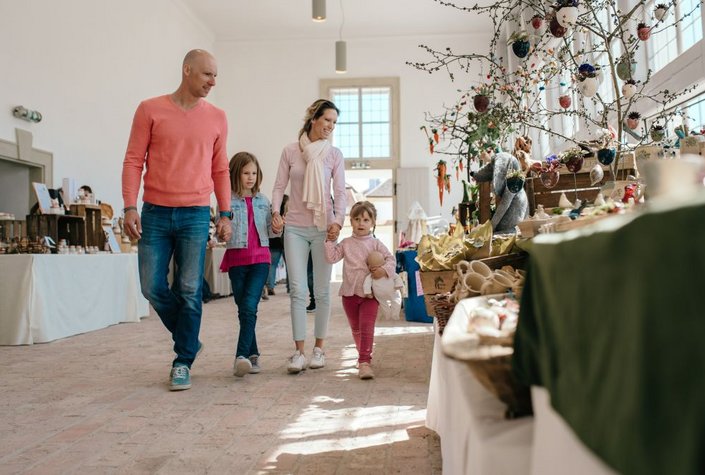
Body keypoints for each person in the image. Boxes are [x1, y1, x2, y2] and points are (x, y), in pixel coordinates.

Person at [121, 49, 232, 391]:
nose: (213, 82)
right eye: (207, 75)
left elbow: (220, 168)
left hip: (196, 214)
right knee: (151, 286)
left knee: (188, 289)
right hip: (154, 211)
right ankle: (189, 338)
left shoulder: (217, 117)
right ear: (187, 71)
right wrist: (129, 206)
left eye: (215, 76)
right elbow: (133, 160)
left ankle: (183, 359)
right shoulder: (150, 109)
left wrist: (225, 212)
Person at [271, 99, 346, 374]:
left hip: (324, 228)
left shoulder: (334, 155)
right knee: (298, 291)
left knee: (323, 291)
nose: (330, 126)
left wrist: (338, 221)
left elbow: (339, 193)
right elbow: (279, 186)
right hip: (294, 227)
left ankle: (319, 349)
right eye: (327, 120)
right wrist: (276, 212)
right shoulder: (291, 151)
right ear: (313, 119)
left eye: (334, 123)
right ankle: (299, 352)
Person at [220, 152, 280, 377]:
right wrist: (222, 229)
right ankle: (253, 354)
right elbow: (221, 231)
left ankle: (241, 356)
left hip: (260, 261)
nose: (251, 177)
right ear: (236, 174)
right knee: (243, 309)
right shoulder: (226, 201)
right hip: (236, 261)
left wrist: (277, 226)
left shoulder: (263, 201)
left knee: (249, 307)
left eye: (254, 173)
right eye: (246, 173)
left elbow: (273, 233)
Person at [324, 201, 396, 380]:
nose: (361, 223)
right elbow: (332, 257)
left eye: (365, 219)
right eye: (357, 219)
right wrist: (329, 241)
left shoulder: (376, 244)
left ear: (373, 222)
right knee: (356, 329)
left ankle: (364, 362)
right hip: (349, 294)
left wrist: (383, 270)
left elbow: (391, 260)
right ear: (351, 221)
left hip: (370, 294)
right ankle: (361, 353)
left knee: (366, 327)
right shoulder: (346, 243)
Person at [363, 250, 404, 320]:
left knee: (383, 304)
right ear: (384, 263)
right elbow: (396, 277)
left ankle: (387, 315)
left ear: (369, 265)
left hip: (379, 293)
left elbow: (366, 284)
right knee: (397, 300)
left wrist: (367, 292)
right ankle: (395, 315)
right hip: (392, 291)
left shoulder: (370, 276)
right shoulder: (388, 271)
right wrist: (399, 284)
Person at [263, 194, 289, 300]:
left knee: (272, 265)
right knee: (290, 265)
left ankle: (270, 286)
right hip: (286, 240)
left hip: (273, 241)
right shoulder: (288, 208)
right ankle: (291, 287)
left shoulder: (272, 209)